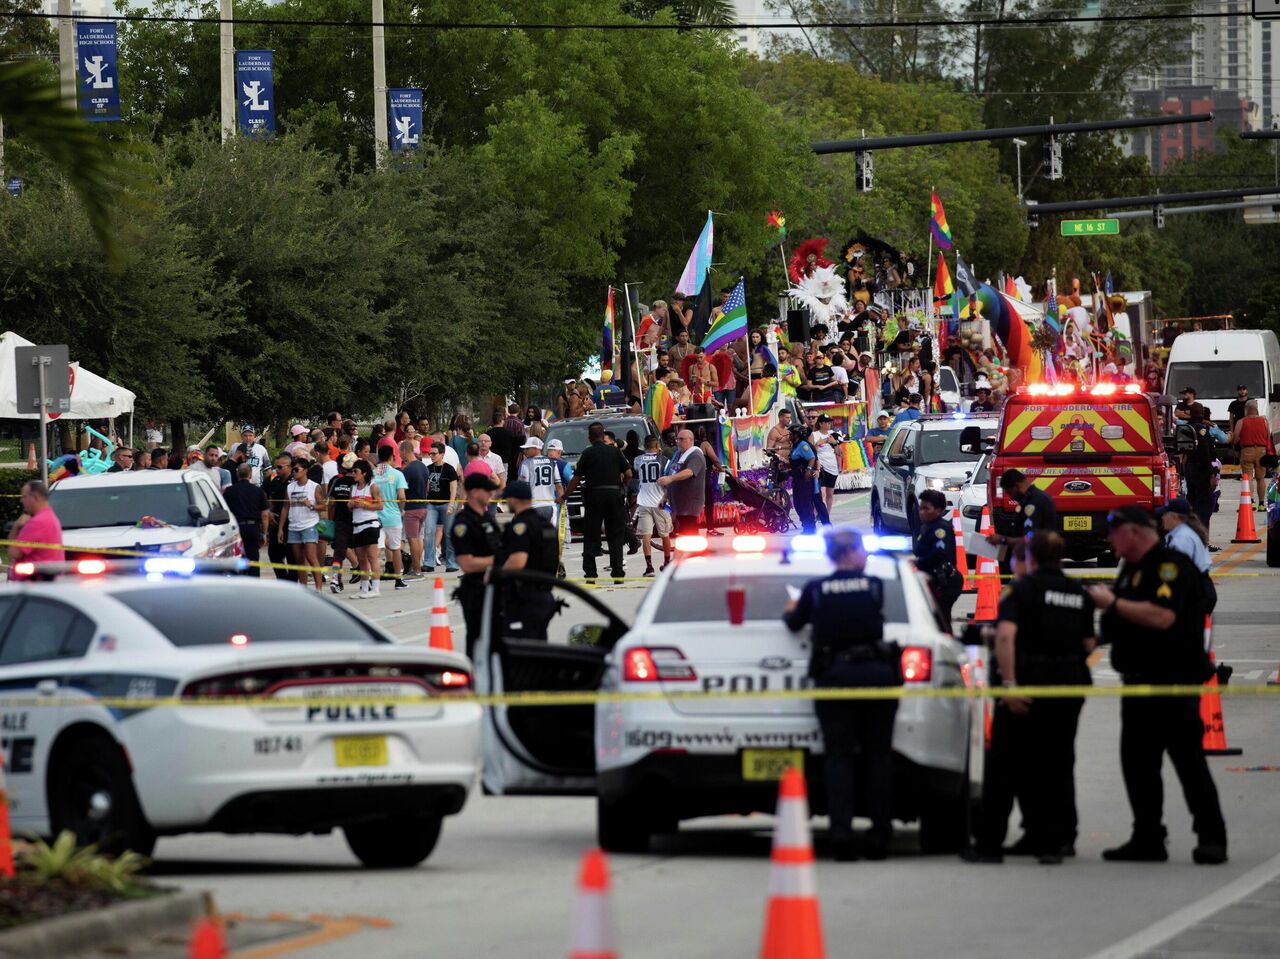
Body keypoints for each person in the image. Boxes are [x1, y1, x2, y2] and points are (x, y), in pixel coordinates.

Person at [1085, 507, 1227, 865]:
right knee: (1138, 765)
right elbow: (1116, 622)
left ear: (1133, 532)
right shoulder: (1131, 568)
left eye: (1112, 532)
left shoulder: (1170, 566)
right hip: (1137, 682)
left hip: (1173, 682)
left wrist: (1113, 603)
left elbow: (1163, 616)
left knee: (1188, 763)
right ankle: (1147, 836)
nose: (1108, 539)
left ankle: (1211, 838)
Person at [963, 531, 1094, 865]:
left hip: (1028, 684)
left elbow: (1006, 635)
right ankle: (1052, 842)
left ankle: (989, 844)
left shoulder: (1023, 590)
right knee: (1057, 764)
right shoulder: (1077, 592)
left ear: (1031, 558)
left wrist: (1009, 684)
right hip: (1068, 686)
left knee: (1004, 766)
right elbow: (1089, 643)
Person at [784, 527, 898, 861]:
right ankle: (880, 835)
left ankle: (841, 835)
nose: (865, 556)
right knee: (878, 756)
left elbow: (793, 623)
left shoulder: (816, 590)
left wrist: (791, 608)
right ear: (847, 553)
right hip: (876, 676)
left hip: (834, 677)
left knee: (839, 757)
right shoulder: (874, 586)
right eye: (861, 551)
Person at [563, 422, 632, 581]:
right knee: (615, 534)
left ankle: (590, 572)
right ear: (603, 436)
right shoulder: (615, 452)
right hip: (614, 495)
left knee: (591, 534)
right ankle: (617, 572)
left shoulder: (587, 453)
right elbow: (628, 472)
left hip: (594, 496)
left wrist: (565, 496)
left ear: (590, 437)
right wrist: (622, 487)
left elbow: (576, 479)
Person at [497, 480, 560, 640]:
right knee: (539, 647)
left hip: (526, 597)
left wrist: (495, 576)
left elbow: (518, 561)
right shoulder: (546, 525)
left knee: (522, 649)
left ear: (513, 499)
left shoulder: (521, 526)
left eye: (507, 499)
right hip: (545, 595)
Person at [451, 473, 503, 654]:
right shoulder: (463, 523)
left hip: (497, 589)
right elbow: (467, 563)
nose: (491, 493)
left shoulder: (488, 518)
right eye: (487, 490)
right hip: (477, 590)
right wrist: (502, 560)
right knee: (479, 641)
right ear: (474, 492)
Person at [913, 490, 962, 625]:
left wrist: (916, 564)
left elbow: (939, 554)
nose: (922, 512)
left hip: (945, 581)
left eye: (926, 509)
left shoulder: (941, 528)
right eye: (920, 508)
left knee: (941, 620)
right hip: (934, 580)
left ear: (939, 510)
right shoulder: (926, 527)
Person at [1159, 497, 1215, 614]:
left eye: (1165, 514)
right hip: (1198, 588)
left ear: (1175, 517)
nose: (1162, 518)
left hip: (1192, 592)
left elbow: (1179, 571)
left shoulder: (1182, 539)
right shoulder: (1186, 532)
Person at [278, 458, 326, 593]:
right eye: (293, 469)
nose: (294, 472)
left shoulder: (314, 486)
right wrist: (281, 528)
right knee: (299, 560)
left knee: (311, 557)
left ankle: (318, 589)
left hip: (309, 525)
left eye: (297, 469)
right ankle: (304, 589)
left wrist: (312, 505)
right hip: (294, 526)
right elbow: (285, 508)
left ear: (305, 471)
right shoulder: (290, 487)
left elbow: (323, 506)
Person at [986, 469, 1057, 551]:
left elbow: (1030, 538)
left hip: (1038, 557)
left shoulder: (1033, 503)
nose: (1011, 497)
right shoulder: (1036, 498)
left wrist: (1003, 540)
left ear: (1017, 486)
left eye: (1010, 493)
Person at [632, 434, 671, 575]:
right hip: (660, 501)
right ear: (657, 446)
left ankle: (649, 567)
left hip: (643, 501)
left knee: (646, 535)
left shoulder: (638, 460)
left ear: (645, 446)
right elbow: (669, 479)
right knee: (664, 534)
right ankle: (667, 562)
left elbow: (636, 473)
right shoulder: (664, 460)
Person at [657, 428, 706, 537]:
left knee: (690, 533)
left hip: (690, 502)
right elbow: (674, 471)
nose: (678, 441)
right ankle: (690, 552)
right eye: (677, 439)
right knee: (684, 533)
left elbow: (689, 472)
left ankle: (695, 552)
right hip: (679, 503)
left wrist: (670, 478)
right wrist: (665, 497)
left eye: (682, 439)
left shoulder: (695, 455)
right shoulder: (678, 455)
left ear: (691, 440)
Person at [223, 463, 270, 576]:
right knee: (253, 559)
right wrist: (264, 533)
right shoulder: (258, 491)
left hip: (236, 529)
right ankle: (254, 586)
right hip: (253, 528)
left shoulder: (230, 491)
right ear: (250, 475)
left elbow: (224, 512)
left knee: (237, 558)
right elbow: (265, 515)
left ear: (237, 474)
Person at [8, 481, 63, 574]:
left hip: (34, 582)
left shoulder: (37, 523)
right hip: (46, 579)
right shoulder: (49, 517)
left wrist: (16, 527)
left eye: (24, 497)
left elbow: (13, 554)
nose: (21, 500)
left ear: (35, 497)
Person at [374, 445, 409, 590]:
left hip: (375, 516)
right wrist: (401, 510)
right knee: (395, 549)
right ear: (391, 457)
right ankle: (398, 580)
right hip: (393, 517)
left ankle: (372, 581)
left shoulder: (372, 473)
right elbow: (402, 497)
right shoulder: (397, 474)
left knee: (375, 550)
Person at [348, 459, 385, 598]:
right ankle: (364, 588)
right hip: (357, 524)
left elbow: (380, 506)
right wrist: (351, 504)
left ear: (364, 473)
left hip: (370, 524)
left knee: (372, 556)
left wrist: (365, 505)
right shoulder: (353, 488)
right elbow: (349, 506)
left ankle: (375, 588)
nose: (353, 474)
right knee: (361, 558)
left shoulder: (373, 487)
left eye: (355, 472)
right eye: (352, 471)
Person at [423, 442, 460, 573]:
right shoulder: (428, 468)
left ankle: (452, 563)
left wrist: (451, 504)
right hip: (431, 504)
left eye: (434, 453)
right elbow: (426, 487)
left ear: (442, 454)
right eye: (430, 453)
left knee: (449, 534)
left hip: (446, 503)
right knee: (428, 532)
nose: (431, 456)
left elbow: (454, 488)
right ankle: (428, 562)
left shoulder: (449, 469)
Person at [1230, 399, 1272, 508]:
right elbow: (1268, 436)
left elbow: (1235, 439)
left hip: (1247, 451)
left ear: (1246, 410)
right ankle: (1262, 504)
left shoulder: (1241, 421)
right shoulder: (1265, 421)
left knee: (1248, 477)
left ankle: (1251, 501)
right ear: (1256, 410)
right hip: (1261, 451)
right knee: (1261, 478)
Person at [788, 422, 829, 533]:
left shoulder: (803, 445)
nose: (789, 436)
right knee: (798, 503)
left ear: (797, 434)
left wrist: (809, 470)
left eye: (791, 434)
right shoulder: (795, 446)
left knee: (807, 503)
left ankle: (810, 528)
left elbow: (812, 458)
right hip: (797, 479)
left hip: (806, 480)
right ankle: (808, 525)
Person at [326, 452, 358, 593]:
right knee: (363, 551)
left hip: (340, 521)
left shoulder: (335, 480)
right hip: (357, 521)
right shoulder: (358, 481)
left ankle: (335, 578)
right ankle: (367, 580)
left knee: (338, 553)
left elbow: (331, 504)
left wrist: (330, 521)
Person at [1184, 404, 1219, 529]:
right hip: (1201, 470)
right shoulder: (1202, 429)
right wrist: (1211, 474)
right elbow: (1205, 453)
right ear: (1202, 413)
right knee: (1204, 506)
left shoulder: (1186, 427)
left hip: (1189, 469)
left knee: (1192, 502)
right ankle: (1203, 538)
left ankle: (1192, 534)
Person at [264, 454, 297, 583]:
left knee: (292, 556)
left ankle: (292, 583)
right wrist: (269, 512)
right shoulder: (273, 481)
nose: (277, 470)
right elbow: (267, 499)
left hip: (291, 523)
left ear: (289, 467)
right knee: (273, 554)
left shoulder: (294, 482)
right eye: (275, 467)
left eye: (280, 467)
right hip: (275, 522)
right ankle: (283, 580)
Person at [400, 441, 429, 580]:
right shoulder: (423, 466)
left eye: (400, 452)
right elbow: (428, 486)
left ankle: (416, 570)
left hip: (412, 508)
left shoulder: (408, 469)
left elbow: (402, 491)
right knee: (418, 538)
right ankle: (418, 566)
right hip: (423, 506)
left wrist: (401, 507)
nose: (400, 455)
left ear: (405, 451)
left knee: (412, 539)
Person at [517, 436, 562, 524]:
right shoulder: (552, 462)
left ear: (536, 448)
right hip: (550, 506)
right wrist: (562, 501)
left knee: (535, 535)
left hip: (533, 506)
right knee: (550, 535)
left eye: (527, 448)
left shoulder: (526, 463)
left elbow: (523, 488)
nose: (524, 451)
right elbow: (558, 485)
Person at [811, 414, 840, 517]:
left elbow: (839, 452)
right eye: (826, 422)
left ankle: (827, 514)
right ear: (820, 423)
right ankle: (817, 513)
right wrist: (819, 443)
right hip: (820, 467)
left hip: (832, 466)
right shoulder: (814, 434)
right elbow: (811, 450)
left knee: (829, 494)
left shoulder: (833, 434)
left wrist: (834, 443)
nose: (829, 424)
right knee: (820, 493)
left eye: (829, 422)